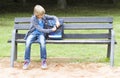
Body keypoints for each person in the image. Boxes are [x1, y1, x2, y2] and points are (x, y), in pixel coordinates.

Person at [23, 5, 60, 70]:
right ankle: (26, 61)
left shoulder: (44, 16)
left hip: (41, 35)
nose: (43, 16)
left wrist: (57, 21)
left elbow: (54, 17)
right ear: (36, 14)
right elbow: (40, 29)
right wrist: (51, 30)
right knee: (28, 43)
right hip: (33, 34)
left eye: (43, 14)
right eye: (41, 15)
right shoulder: (33, 19)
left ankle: (43, 61)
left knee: (43, 43)